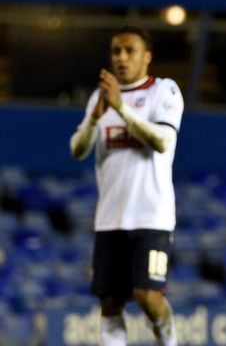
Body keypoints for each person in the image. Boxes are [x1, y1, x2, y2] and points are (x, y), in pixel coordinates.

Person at [70, 25, 183, 346]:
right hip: (110, 218)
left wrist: (121, 108)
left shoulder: (164, 91)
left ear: (146, 57)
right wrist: (94, 118)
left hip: (152, 216)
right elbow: (78, 149)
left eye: (129, 50)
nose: (121, 57)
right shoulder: (100, 97)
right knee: (109, 302)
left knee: (147, 296)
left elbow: (162, 141)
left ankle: (168, 340)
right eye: (116, 51)